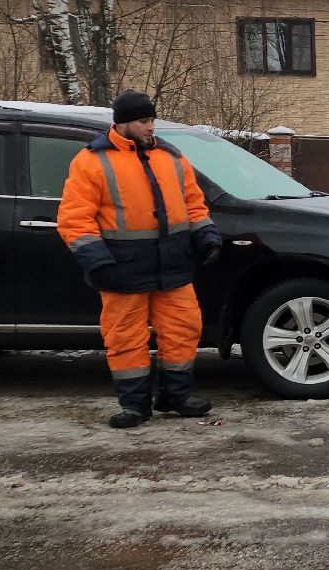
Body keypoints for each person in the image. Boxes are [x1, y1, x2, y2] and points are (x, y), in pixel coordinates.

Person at [57, 90, 224, 428]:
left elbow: (193, 204)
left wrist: (206, 236)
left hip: (173, 264)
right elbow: (75, 219)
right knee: (125, 337)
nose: (151, 127)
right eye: (143, 121)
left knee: (183, 330)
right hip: (122, 268)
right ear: (123, 123)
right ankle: (134, 405)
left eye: (152, 120)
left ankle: (175, 396)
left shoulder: (172, 157)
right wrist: (97, 261)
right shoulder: (91, 161)